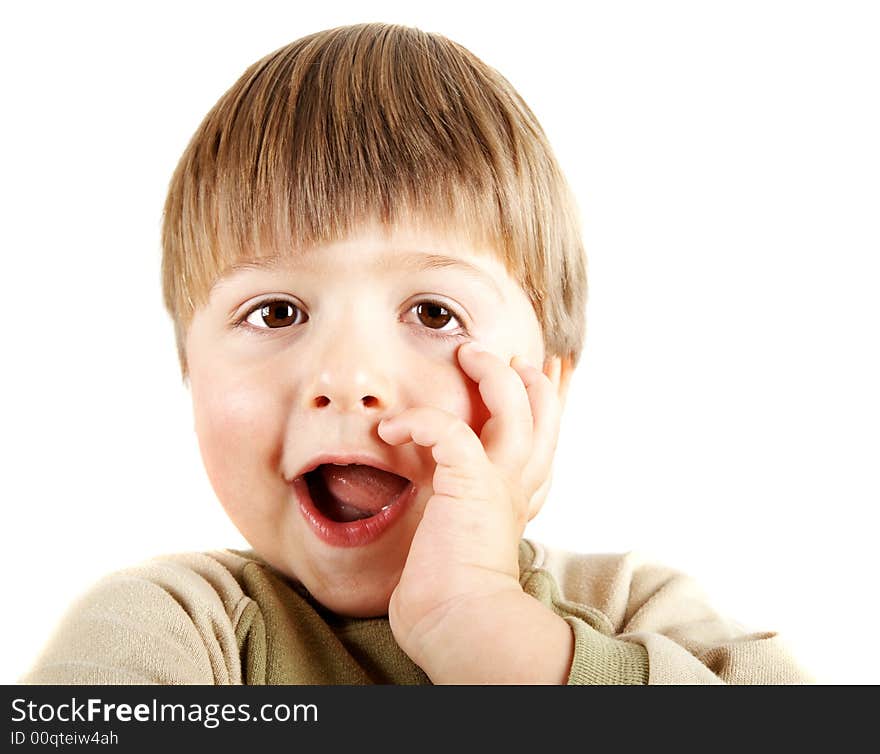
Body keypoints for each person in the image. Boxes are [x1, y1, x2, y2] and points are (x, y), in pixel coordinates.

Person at [21, 22, 809, 684]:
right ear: (190, 372)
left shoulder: (634, 612)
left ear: (544, 390)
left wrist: (488, 629)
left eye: (434, 312)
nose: (346, 378)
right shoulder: (176, 629)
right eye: (276, 310)